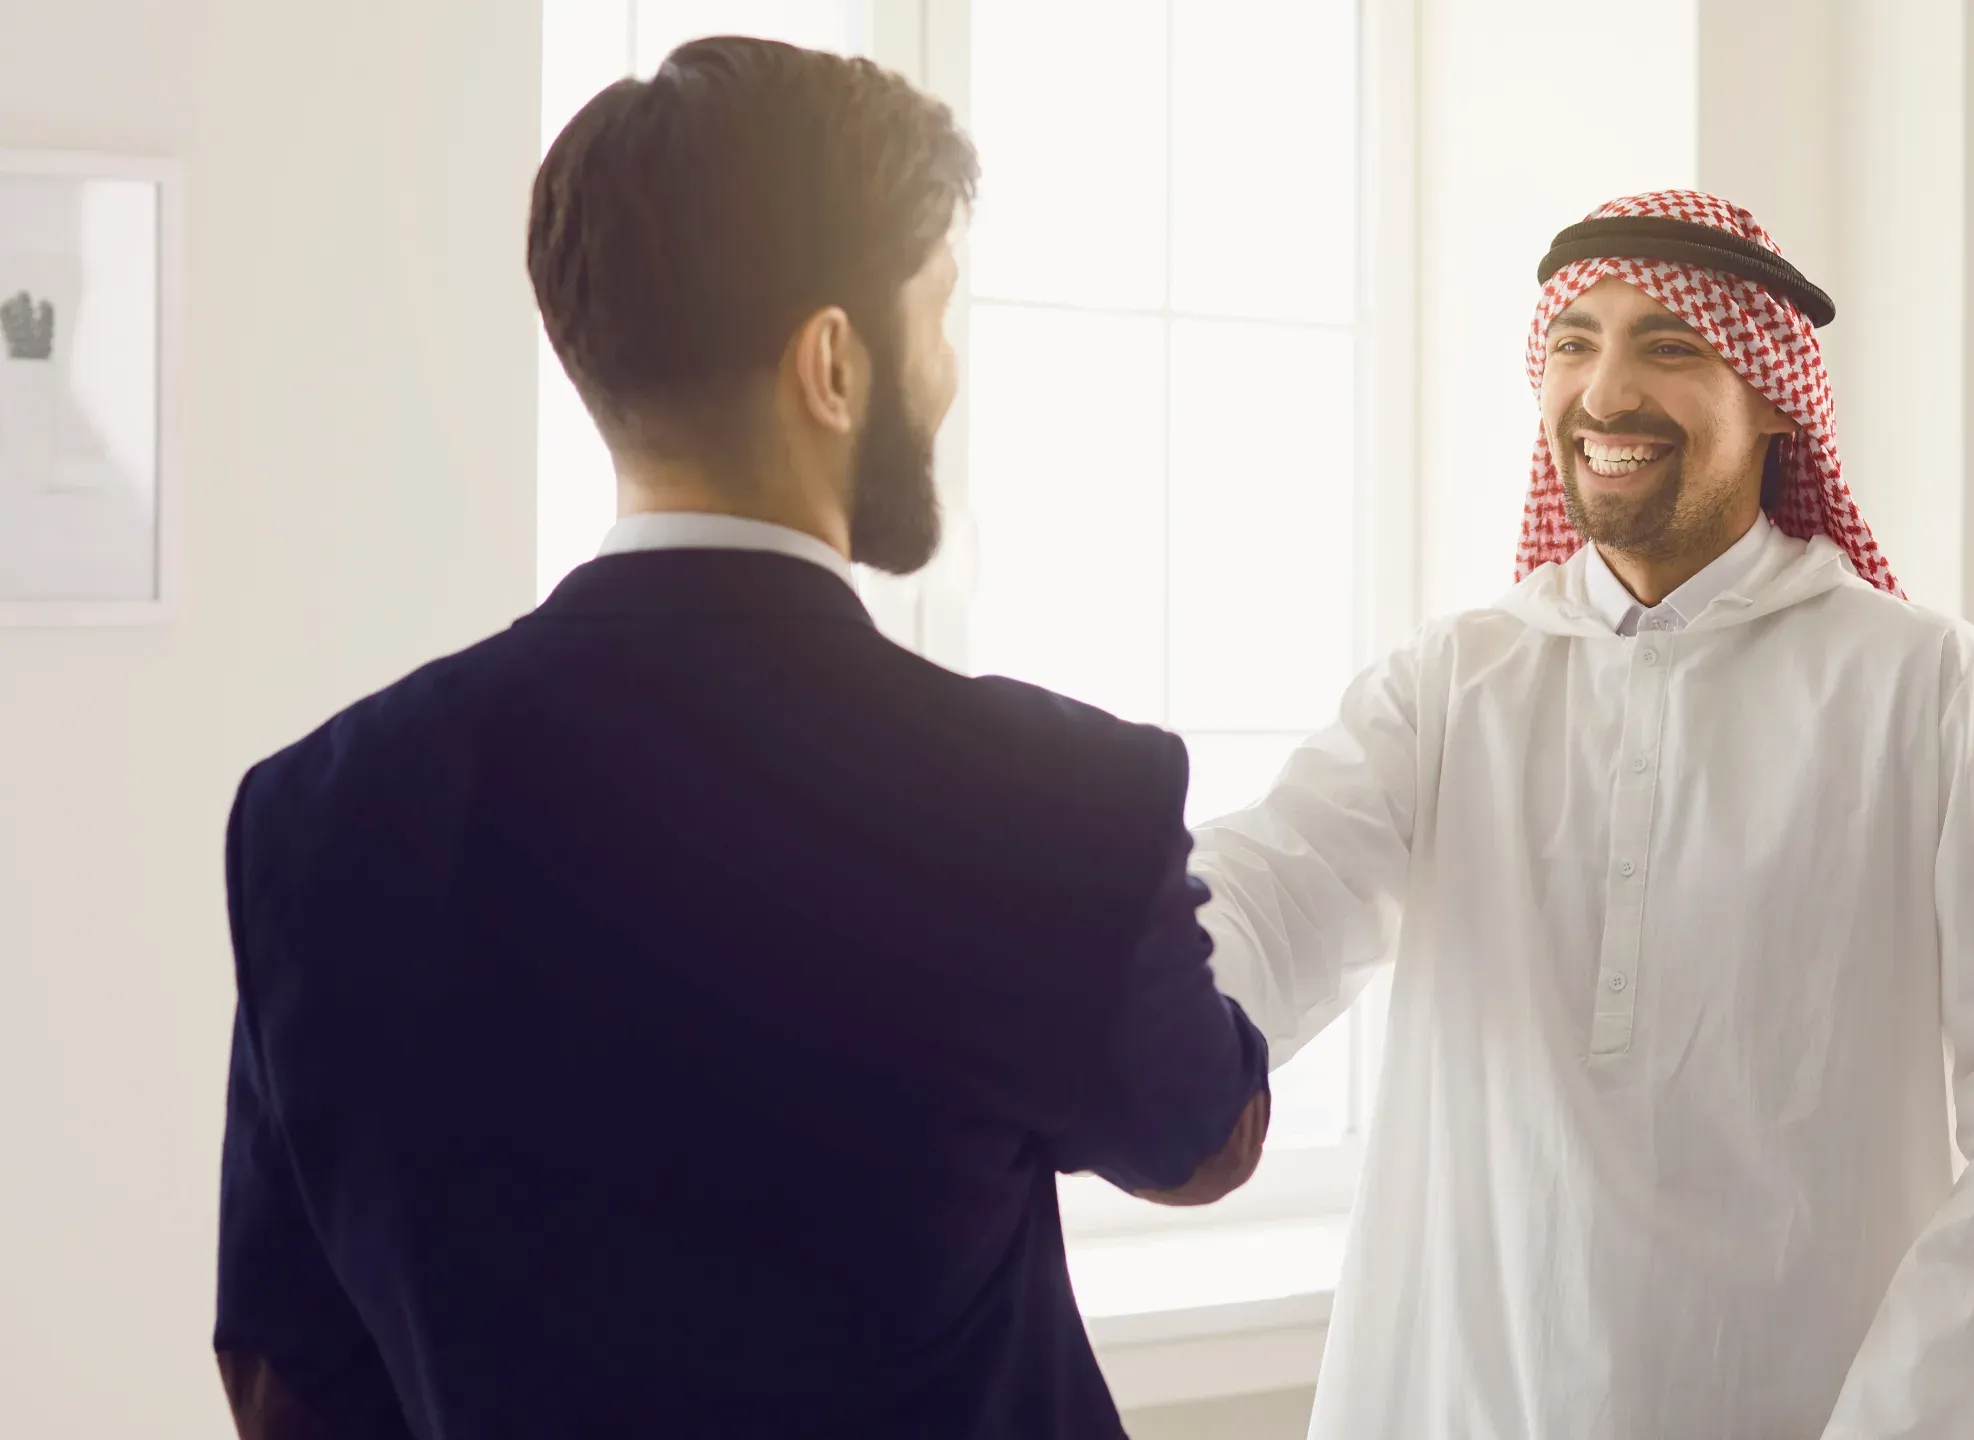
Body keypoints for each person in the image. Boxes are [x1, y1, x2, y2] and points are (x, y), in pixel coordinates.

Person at [211, 38, 1268, 1440]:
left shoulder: (316, 814)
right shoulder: (1051, 799)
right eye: (936, 314)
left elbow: (284, 1371)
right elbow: (1200, 1137)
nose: (946, 378)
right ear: (833, 362)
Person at [1190, 189, 1974, 1438]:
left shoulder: (1923, 688)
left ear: (1772, 397)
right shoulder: (1456, 682)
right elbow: (1273, 891)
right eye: (1573, 341)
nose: (1606, 391)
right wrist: (1109, 981)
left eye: (1668, 345)